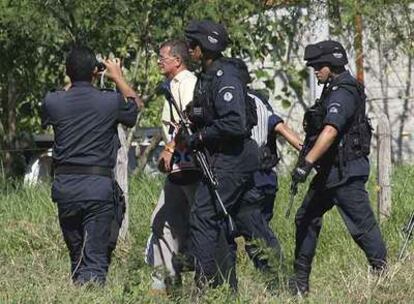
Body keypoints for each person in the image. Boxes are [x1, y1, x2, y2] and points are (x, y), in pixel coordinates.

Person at [289, 40, 387, 295]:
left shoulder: (343, 90)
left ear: (330, 65)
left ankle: (384, 277)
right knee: (305, 218)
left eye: (317, 66)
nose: (314, 71)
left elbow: (331, 130)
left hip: (345, 171)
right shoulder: (331, 88)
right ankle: (299, 286)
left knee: (362, 226)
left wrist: (307, 164)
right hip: (329, 172)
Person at [41, 45, 141, 285]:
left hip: (65, 189)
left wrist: (77, 78)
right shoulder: (108, 101)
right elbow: (135, 107)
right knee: (95, 259)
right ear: (96, 72)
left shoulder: (54, 101)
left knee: (77, 257)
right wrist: (117, 77)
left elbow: (57, 105)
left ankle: (78, 292)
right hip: (98, 189)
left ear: (67, 72)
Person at [183, 20, 259, 291]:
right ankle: (229, 288)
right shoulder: (206, 77)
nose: (189, 50)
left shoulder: (223, 77)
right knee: (231, 222)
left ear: (204, 48)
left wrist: (201, 137)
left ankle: (205, 286)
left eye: (193, 45)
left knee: (203, 217)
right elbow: (210, 114)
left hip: (232, 159)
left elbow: (234, 123)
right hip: (220, 159)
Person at [234, 62, 303, 272]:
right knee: (257, 230)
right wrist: (309, 152)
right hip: (268, 180)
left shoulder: (234, 105)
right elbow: (282, 129)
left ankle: (278, 276)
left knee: (255, 232)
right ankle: (270, 276)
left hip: (250, 180)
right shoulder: (262, 103)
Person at [144, 39, 199, 294]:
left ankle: (204, 279)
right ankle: (165, 283)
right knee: (161, 221)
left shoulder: (187, 83)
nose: (158, 61)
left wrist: (169, 148)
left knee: (199, 222)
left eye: (162, 57)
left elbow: (189, 120)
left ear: (177, 60)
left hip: (190, 164)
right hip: (177, 165)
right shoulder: (172, 85)